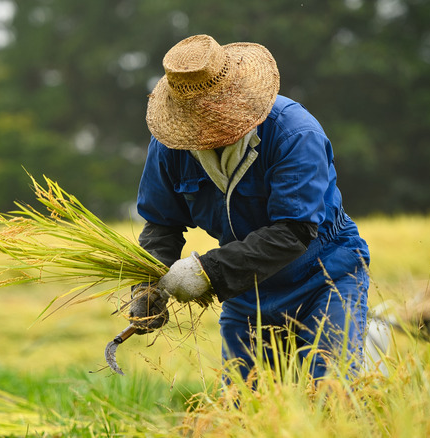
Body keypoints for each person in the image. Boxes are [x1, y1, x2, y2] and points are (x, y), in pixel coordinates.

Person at [127, 34, 370, 382]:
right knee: (245, 406)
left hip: (324, 278)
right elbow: (161, 224)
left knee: (330, 393)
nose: (205, 128)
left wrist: (206, 272)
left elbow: (293, 232)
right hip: (246, 292)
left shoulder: (293, 133)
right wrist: (147, 286)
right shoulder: (171, 146)